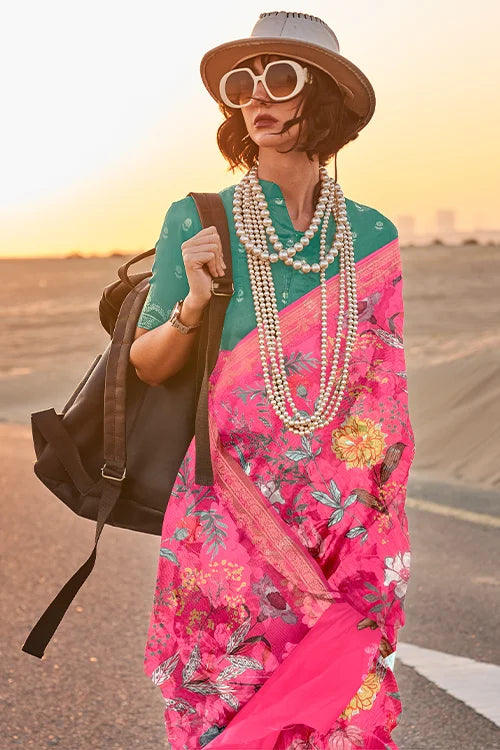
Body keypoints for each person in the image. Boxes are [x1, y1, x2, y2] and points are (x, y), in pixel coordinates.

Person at [129, 11, 415, 749]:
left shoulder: (372, 235)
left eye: (279, 79)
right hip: (226, 504)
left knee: (336, 702)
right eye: (242, 83)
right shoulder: (200, 219)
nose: (257, 97)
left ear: (318, 99)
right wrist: (193, 301)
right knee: (228, 699)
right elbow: (147, 361)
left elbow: (383, 393)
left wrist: (369, 519)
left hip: (335, 519)